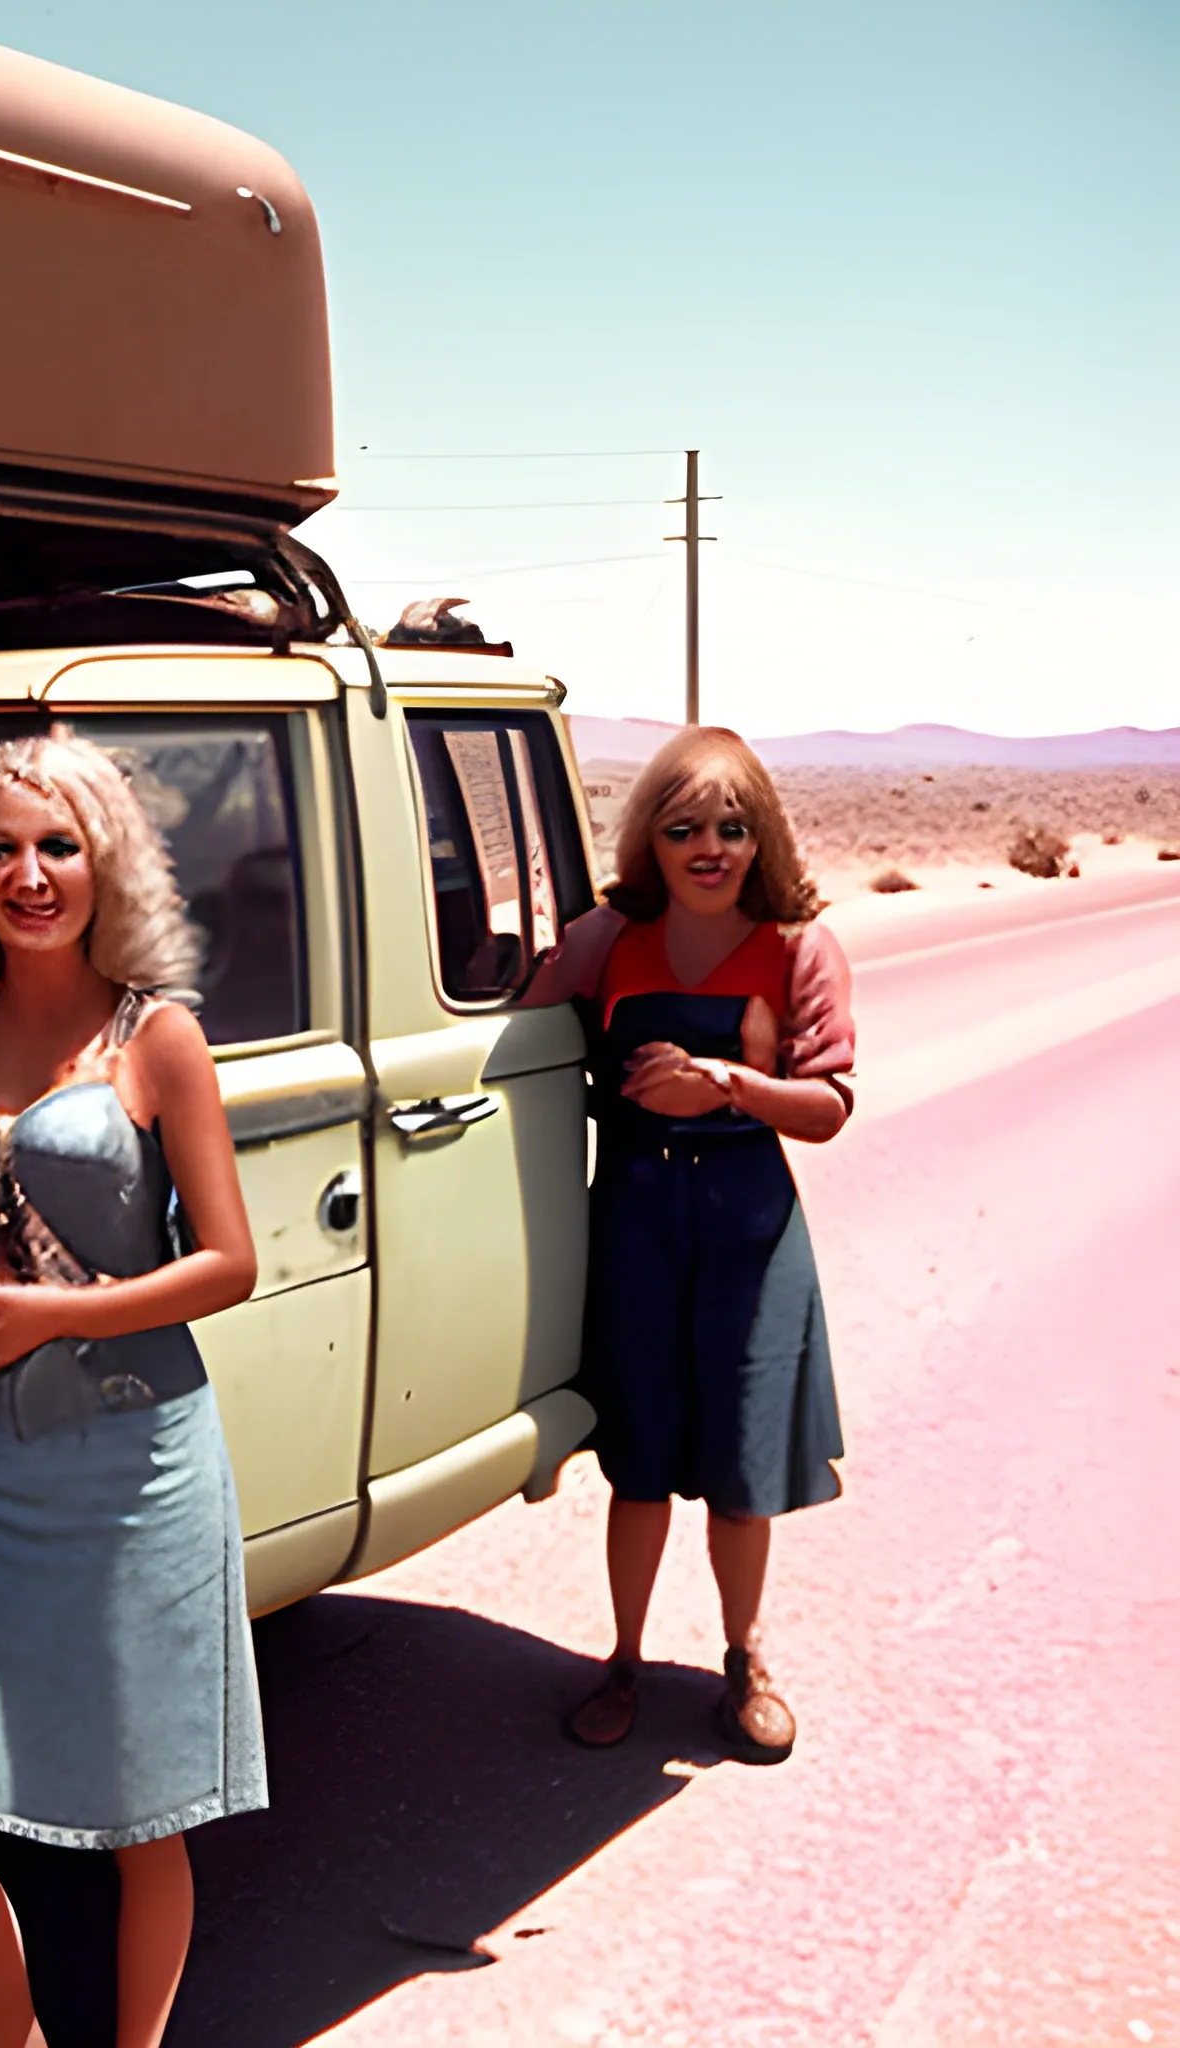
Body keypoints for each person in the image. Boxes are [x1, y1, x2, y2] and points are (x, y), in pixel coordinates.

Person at [0, 732, 265, 2048]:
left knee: (141, 1812)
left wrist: (53, 1313)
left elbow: (228, 1263)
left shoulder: (162, 1039)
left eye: (56, 847)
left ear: (107, 864)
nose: (27, 875)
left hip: (135, 1463)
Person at [526, 726, 856, 1762]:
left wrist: (725, 1083)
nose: (707, 847)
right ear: (650, 840)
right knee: (638, 1456)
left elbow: (828, 1105)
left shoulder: (799, 945)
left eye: (729, 826)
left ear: (759, 836)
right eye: (682, 828)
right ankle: (620, 1657)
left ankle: (742, 1655)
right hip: (631, 1221)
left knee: (740, 1458)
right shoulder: (607, 939)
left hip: (748, 1228)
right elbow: (513, 1032)